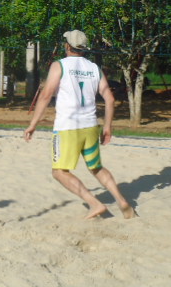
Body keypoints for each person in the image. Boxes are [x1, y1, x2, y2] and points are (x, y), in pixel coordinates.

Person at [24, 30, 136, 219]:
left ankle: (95, 204)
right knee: (96, 167)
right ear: (84, 48)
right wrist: (107, 127)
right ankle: (122, 201)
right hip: (91, 125)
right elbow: (109, 99)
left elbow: (45, 95)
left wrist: (32, 124)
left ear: (67, 46)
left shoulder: (59, 65)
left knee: (59, 172)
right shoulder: (94, 68)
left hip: (67, 127)